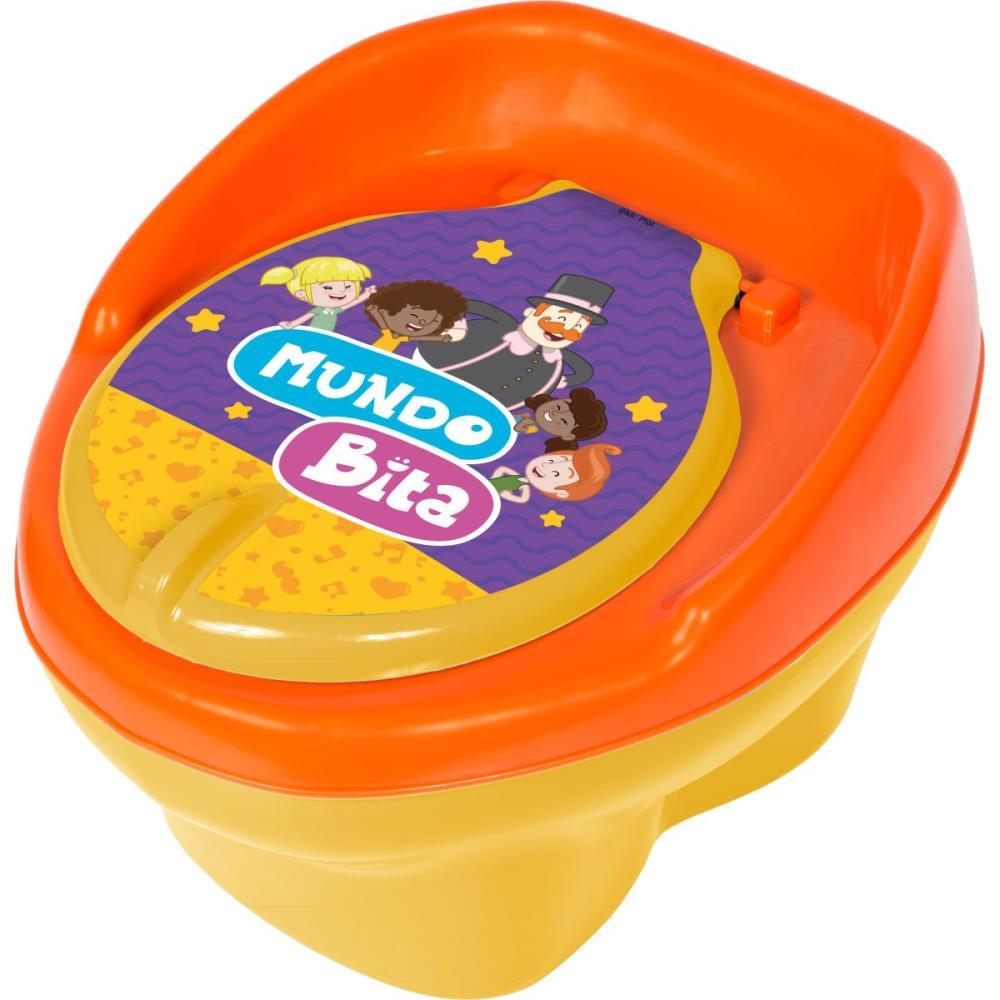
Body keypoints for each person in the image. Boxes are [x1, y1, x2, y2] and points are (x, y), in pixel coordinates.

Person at [415, 274, 614, 409]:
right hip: (429, 380)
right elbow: (465, 304)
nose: (564, 330)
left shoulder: (555, 361)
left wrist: (566, 381)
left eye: (578, 326)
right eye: (561, 318)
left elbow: (585, 371)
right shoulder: (499, 326)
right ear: (531, 312)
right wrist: (458, 324)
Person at [260, 255, 374, 332]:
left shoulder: (334, 310)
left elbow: (352, 303)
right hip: (314, 333)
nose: (341, 291)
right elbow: (304, 318)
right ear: (301, 293)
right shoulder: (319, 310)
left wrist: (366, 294)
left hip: (327, 335)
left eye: (348, 286)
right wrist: (291, 325)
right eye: (328, 287)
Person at [488, 443, 622, 503]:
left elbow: (522, 499)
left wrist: (506, 494)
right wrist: (494, 478)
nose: (545, 465)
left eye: (556, 474)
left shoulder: (524, 487)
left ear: (562, 493)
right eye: (552, 460)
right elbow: (502, 469)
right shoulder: (517, 478)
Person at [364, 280, 468, 352]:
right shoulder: (388, 332)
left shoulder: (402, 338)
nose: (423, 322)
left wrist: (439, 338)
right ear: (385, 310)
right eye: (414, 314)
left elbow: (420, 337)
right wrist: (375, 312)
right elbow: (382, 322)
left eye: (434, 322)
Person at [514, 388, 608, 453]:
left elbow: (515, 430)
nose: (555, 413)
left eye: (563, 421)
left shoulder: (533, 431)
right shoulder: (524, 408)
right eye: (558, 407)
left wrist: (520, 426)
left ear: (568, 436)